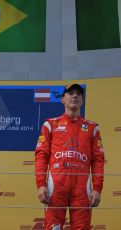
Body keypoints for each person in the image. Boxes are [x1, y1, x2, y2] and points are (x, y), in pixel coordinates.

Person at [35, 84, 105, 229]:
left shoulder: (92, 127)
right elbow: (41, 156)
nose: (75, 96)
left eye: (79, 94)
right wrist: (41, 185)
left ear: (82, 100)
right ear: (62, 99)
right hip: (56, 186)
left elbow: (98, 160)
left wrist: (97, 189)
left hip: (82, 188)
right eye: (70, 93)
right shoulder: (50, 124)